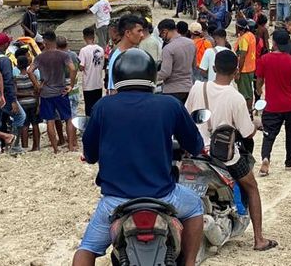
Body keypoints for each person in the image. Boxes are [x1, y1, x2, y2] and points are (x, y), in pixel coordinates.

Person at [74, 49, 205, 266]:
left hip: (115, 201)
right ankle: (189, 262)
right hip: (164, 196)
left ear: (117, 75)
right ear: (152, 75)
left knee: (87, 250)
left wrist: (90, 156)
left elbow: (90, 153)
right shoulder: (170, 104)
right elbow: (195, 144)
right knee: (194, 207)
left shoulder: (102, 107)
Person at [185, 50, 278, 252]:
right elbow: (247, 133)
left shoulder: (197, 88)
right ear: (236, 71)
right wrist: (255, 125)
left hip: (195, 152)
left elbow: (186, 116)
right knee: (252, 187)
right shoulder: (235, 97)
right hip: (223, 156)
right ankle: (259, 239)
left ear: (214, 68)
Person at [256, 29, 291, 176]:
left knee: (268, 134)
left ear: (275, 43)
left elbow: (259, 80)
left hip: (272, 105)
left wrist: (259, 91)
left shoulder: (264, 59)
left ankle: (266, 159)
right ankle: (289, 163)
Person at [30, 31, 77, 153]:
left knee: (50, 120)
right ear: (55, 40)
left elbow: (30, 71)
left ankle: (56, 149)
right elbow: (72, 69)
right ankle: (71, 146)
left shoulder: (40, 57)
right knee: (68, 118)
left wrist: (37, 85)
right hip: (61, 91)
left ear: (45, 42)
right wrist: (71, 85)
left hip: (46, 93)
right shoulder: (63, 55)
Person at [0, 33, 26, 155]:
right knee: (20, 116)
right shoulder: (4, 60)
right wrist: (13, 101)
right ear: (5, 44)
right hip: (3, 95)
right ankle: (14, 147)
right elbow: (8, 81)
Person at [157, 19, 195, 103]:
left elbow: (165, 73)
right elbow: (194, 65)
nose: (162, 38)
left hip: (172, 90)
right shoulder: (191, 43)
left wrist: (151, 77)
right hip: (189, 88)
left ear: (165, 31)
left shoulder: (168, 48)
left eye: (161, 35)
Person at [106, 14, 145, 94]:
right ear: (128, 33)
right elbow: (113, 89)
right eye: (139, 31)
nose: (142, 35)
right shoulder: (118, 58)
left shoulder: (135, 52)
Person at [13, 53, 41, 151]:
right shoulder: (32, 77)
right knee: (35, 124)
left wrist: (25, 95)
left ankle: (25, 147)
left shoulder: (16, 78)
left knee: (24, 126)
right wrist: (37, 104)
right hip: (33, 103)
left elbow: (15, 93)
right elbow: (37, 91)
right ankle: (36, 146)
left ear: (17, 65)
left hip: (22, 104)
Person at [79, 27, 104, 117]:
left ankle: (90, 127)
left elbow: (81, 67)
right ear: (94, 37)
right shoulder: (101, 49)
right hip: (98, 83)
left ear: (84, 37)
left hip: (88, 85)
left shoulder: (83, 50)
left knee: (89, 108)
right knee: (97, 107)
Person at [234, 18, 258, 111]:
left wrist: (238, 71)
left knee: (245, 93)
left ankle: (247, 112)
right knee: (249, 91)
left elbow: (242, 56)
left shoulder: (244, 38)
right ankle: (249, 111)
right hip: (251, 67)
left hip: (244, 69)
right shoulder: (251, 35)